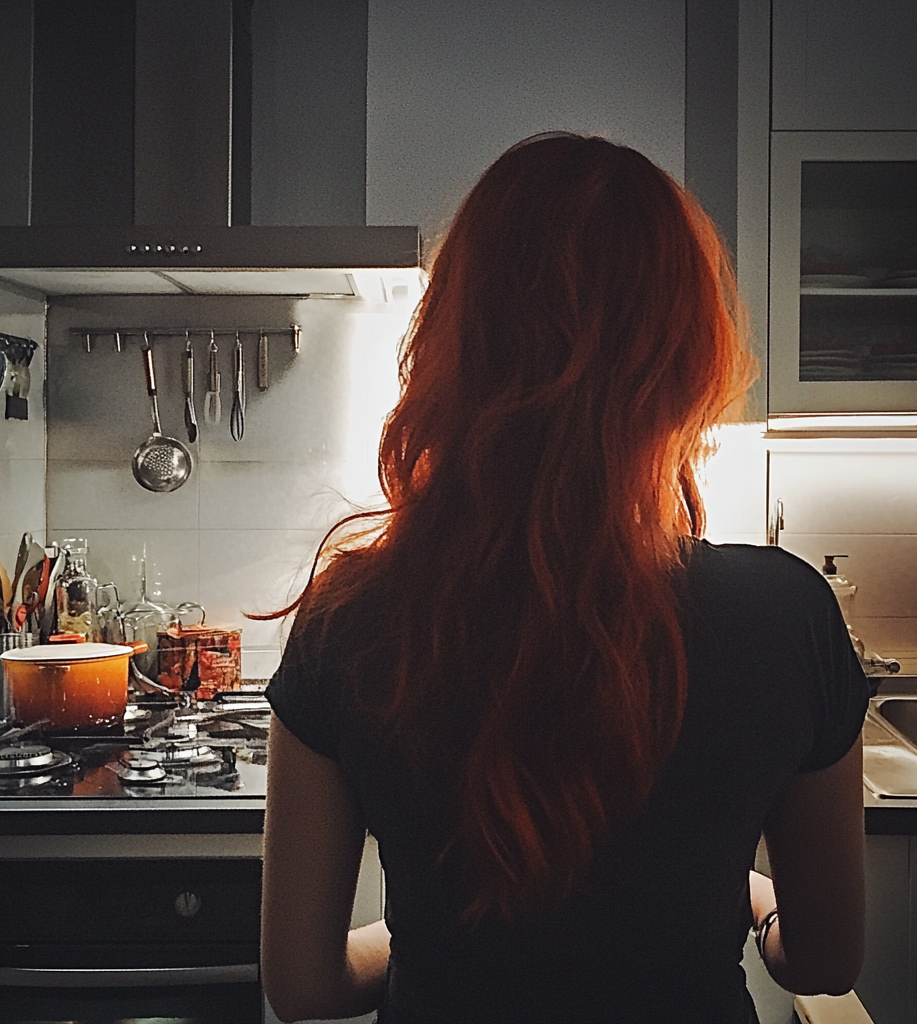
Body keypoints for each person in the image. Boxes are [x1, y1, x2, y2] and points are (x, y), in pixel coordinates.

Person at [261, 133, 867, 1024]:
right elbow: (823, 961)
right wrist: (752, 897)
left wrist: (423, 936)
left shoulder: (348, 618)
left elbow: (305, 988)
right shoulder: (785, 615)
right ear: (688, 357)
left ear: (454, 337)